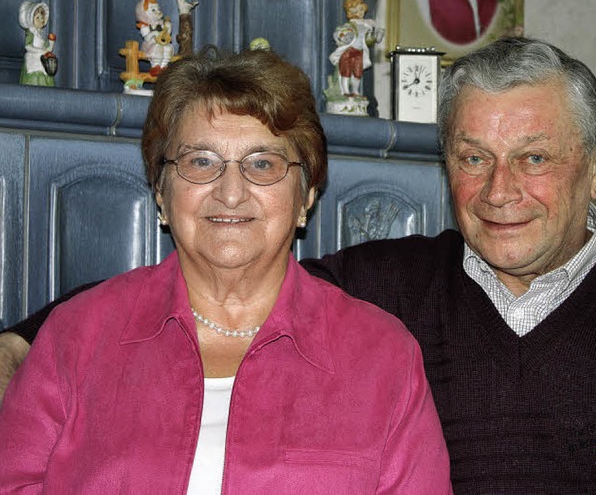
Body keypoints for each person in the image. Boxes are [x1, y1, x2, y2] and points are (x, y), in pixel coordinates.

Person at [2, 36, 596, 493]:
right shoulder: (394, 285)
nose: (500, 191)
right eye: (473, 158)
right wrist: (20, 339)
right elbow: (218, 273)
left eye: (533, 159)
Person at [0, 49, 452, 493]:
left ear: (306, 196)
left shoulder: (384, 357)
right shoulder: (75, 336)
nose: (231, 192)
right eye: (201, 161)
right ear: (161, 190)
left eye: (263, 164)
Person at [329, 0, 384, 97]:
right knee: (346, 72)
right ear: (351, 12)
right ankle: (345, 91)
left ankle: (355, 91)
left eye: (362, 10)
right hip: (349, 51)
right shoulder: (349, 25)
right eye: (358, 10)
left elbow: (368, 40)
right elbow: (338, 33)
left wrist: (377, 36)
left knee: (358, 73)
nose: (361, 12)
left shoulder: (366, 26)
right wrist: (342, 36)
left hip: (359, 52)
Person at [18, 0, 57, 86]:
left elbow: (48, 48)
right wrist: (40, 51)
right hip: (33, 57)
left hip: (42, 57)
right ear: (31, 19)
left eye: (42, 17)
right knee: (35, 76)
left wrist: (51, 43)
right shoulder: (31, 32)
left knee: (46, 73)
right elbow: (28, 46)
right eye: (37, 18)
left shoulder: (41, 34)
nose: (41, 20)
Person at [135, 0, 174, 77]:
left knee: (168, 48)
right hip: (150, 46)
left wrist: (168, 27)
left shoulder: (161, 24)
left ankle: (164, 67)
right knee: (158, 49)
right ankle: (156, 67)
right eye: (153, 10)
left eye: (158, 9)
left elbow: (167, 34)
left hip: (162, 44)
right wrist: (153, 33)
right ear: (143, 13)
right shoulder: (145, 27)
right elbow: (147, 38)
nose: (158, 12)